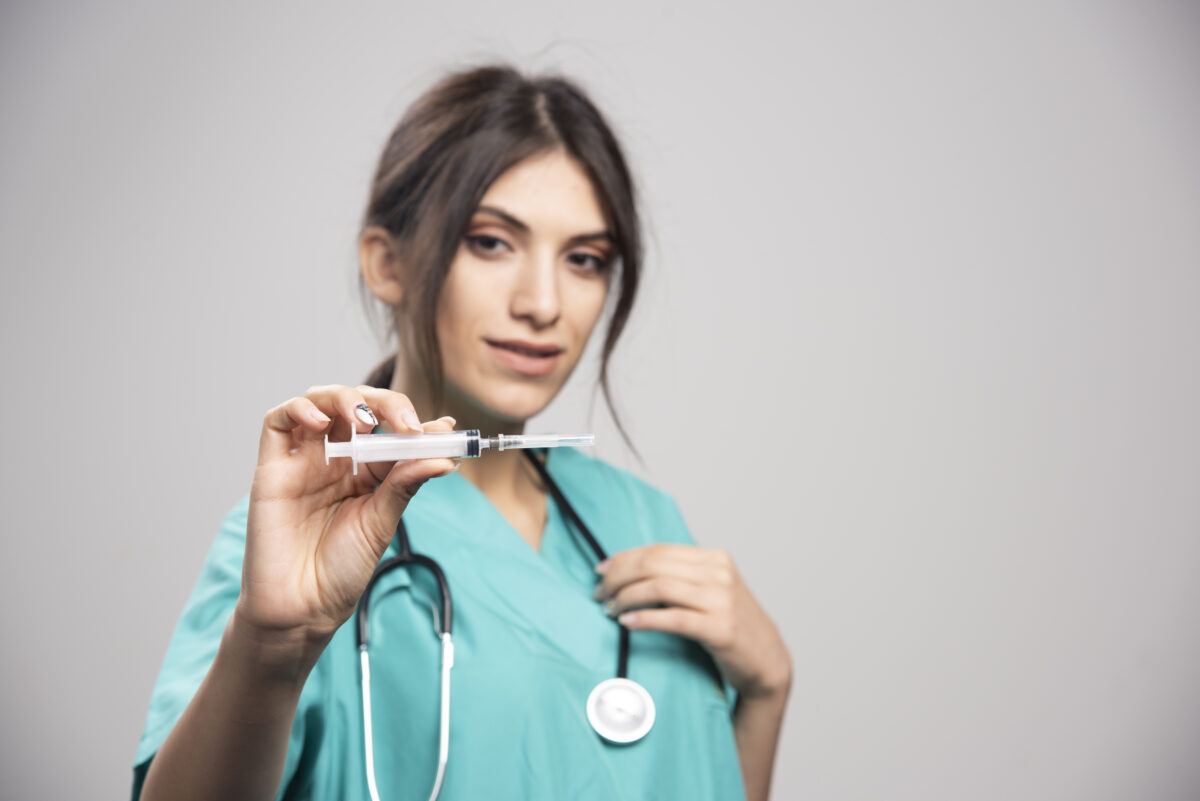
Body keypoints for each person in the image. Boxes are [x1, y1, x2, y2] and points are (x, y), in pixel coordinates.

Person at [132, 63, 792, 801]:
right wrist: (272, 643)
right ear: (389, 264)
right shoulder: (302, 543)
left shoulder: (641, 522)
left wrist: (766, 690)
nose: (543, 303)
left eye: (584, 259)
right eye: (490, 241)